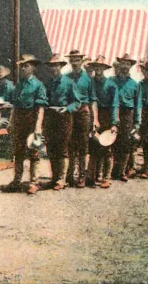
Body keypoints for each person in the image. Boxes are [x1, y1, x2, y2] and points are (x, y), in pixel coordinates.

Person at [5, 54, 48, 195]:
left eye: (26, 66)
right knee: (18, 152)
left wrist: (38, 126)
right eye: (22, 66)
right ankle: (17, 180)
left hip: (32, 119)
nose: (23, 68)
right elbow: (15, 105)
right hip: (19, 120)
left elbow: (40, 107)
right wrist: (11, 122)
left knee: (34, 151)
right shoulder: (19, 84)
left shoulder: (38, 85)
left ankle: (33, 182)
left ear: (33, 68)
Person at [43, 54, 81, 191]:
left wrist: (67, 108)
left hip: (64, 118)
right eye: (52, 66)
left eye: (56, 66)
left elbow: (77, 102)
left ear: (61, 67)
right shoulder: (47, 83)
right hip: (51, 117)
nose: (54, 68)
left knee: (62, 148)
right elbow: (44, 99)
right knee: (51, 148)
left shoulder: (69, 83)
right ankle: (54, 177)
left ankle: (61, 179)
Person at [65, 50, 96, 188]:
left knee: (83, 145)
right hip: (70, 112)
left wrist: (94, 120)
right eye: (72, 60)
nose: (75, 63)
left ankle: (82, 176)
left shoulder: (88, 79)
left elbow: (93, 100)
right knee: (70, 144)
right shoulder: (66, 77)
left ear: (81, 61)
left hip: (83, 112)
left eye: (77, 60)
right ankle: (70, 175)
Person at [87, 56, 119, 188]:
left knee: (107, 148)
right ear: (93, 68)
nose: (98, 69)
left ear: (105, 69)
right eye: (96, 67)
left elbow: (114, 105)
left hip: (106, 116)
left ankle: (106, 177)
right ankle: (92, 176)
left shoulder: (111, 85)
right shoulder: (90, 82)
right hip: (93, 115)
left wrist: (113, 124)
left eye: (101, 67)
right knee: (93, 147)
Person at [110, 54, 142, 182]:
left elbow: (137, 104)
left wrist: (137, 122)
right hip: (113, 112)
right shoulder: (111, 81)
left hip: (127, 114)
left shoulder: (134, 84)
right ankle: (112, 170)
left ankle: (122, 171)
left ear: (130, 66)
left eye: (128, 64)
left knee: (125, 143)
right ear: (120, 64)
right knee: (113, 142)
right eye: (123, 63)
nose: (125, 66)